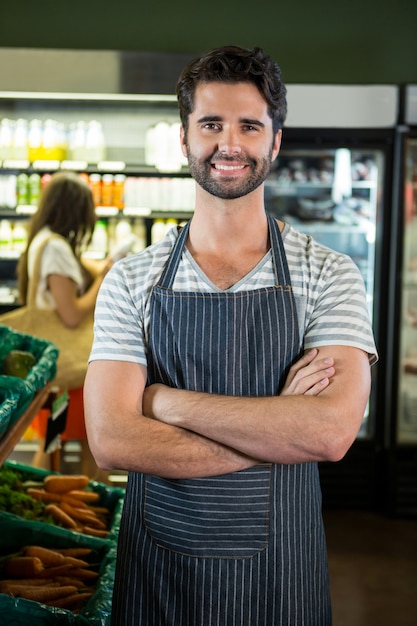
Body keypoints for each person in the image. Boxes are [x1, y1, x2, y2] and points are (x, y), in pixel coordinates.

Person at [84, 45, 378, 625]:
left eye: (249, 126)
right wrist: (277, 432)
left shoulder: (329, 274)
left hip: (281, 586)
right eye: (211, 124)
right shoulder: (131, 279)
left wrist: (163, 403)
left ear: (274, 141)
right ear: (184, 138)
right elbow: (112, 441)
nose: (229, 144)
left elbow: (329, 433)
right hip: (158, 584)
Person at [17, 171, 112, 480]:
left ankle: (42, 505)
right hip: (70, 373)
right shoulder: (56, 248)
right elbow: (71, 314)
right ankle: (96, 512)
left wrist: (99, 268)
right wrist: (100, 283)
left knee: (54, 441)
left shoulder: (44, 240)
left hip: (59, 373)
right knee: (83, 446)